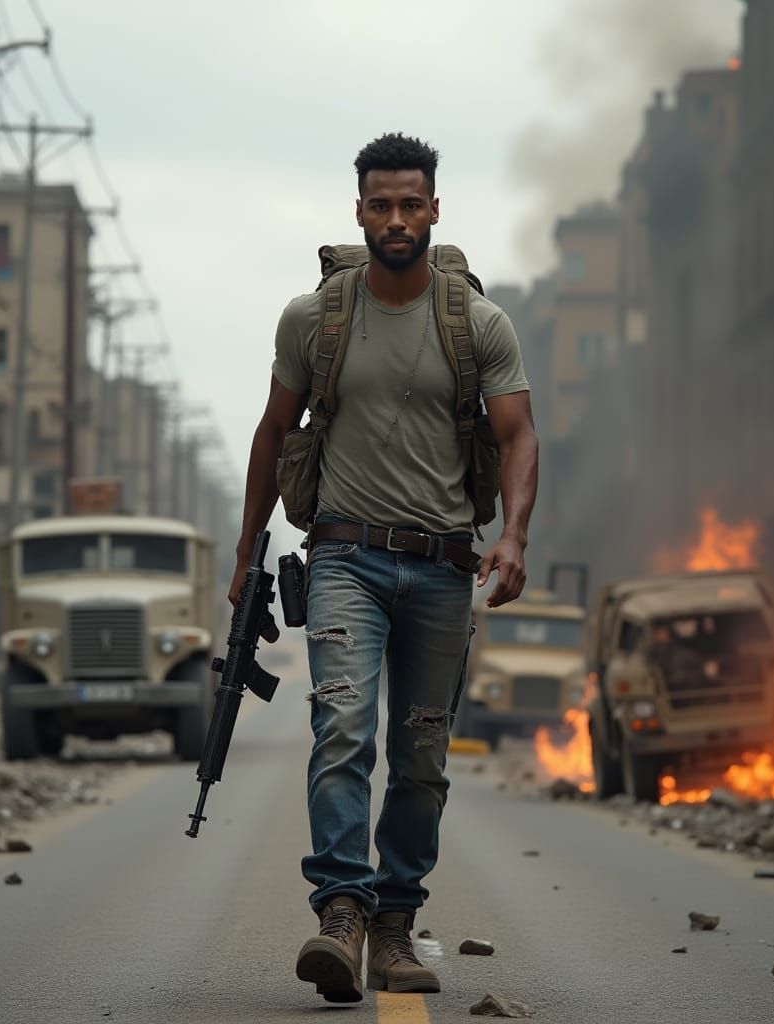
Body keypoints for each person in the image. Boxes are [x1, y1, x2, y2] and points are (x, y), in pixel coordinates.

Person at [228, 132, 538, 1003]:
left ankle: (396, 923)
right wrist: (248, 548)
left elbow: (517, 434)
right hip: (343, 559)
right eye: (380, 204)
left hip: (443, 566)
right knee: (342, 727)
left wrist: (512, 537)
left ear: (435, 212)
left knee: (422, 754)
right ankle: (340, 913)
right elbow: (271, 434)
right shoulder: (315, 319)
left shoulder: (477, 322)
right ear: (358, 210)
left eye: (411, 204)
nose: (396, 218)